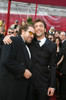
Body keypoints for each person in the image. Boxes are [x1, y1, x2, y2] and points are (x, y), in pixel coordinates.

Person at [3, 19, 57, 100]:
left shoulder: (52, 45)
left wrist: (52, 85)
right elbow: (20, 39)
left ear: (45, 29)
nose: (38, 28)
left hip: (43, 83)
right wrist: (8, 37)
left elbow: (53, 66)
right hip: (28, 82)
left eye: (41, 26)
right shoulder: (30, 42)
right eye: (36, 26)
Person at [0, 24, 35, 100]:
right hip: (11, 88)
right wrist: (23, 71)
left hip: (21, 88)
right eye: (30, 33)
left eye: (34, 34)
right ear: (23, 31)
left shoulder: (28, 44)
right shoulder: (12, 40)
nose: (32, 36)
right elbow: (6, 60)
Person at [60, 31, 66, 100]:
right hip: (61, 67)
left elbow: (63, 56)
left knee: (63, 85)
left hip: (64, 68)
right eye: (60, 35)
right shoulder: (61, 43)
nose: (61, 36)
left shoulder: (64, 44)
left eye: (62, 35)